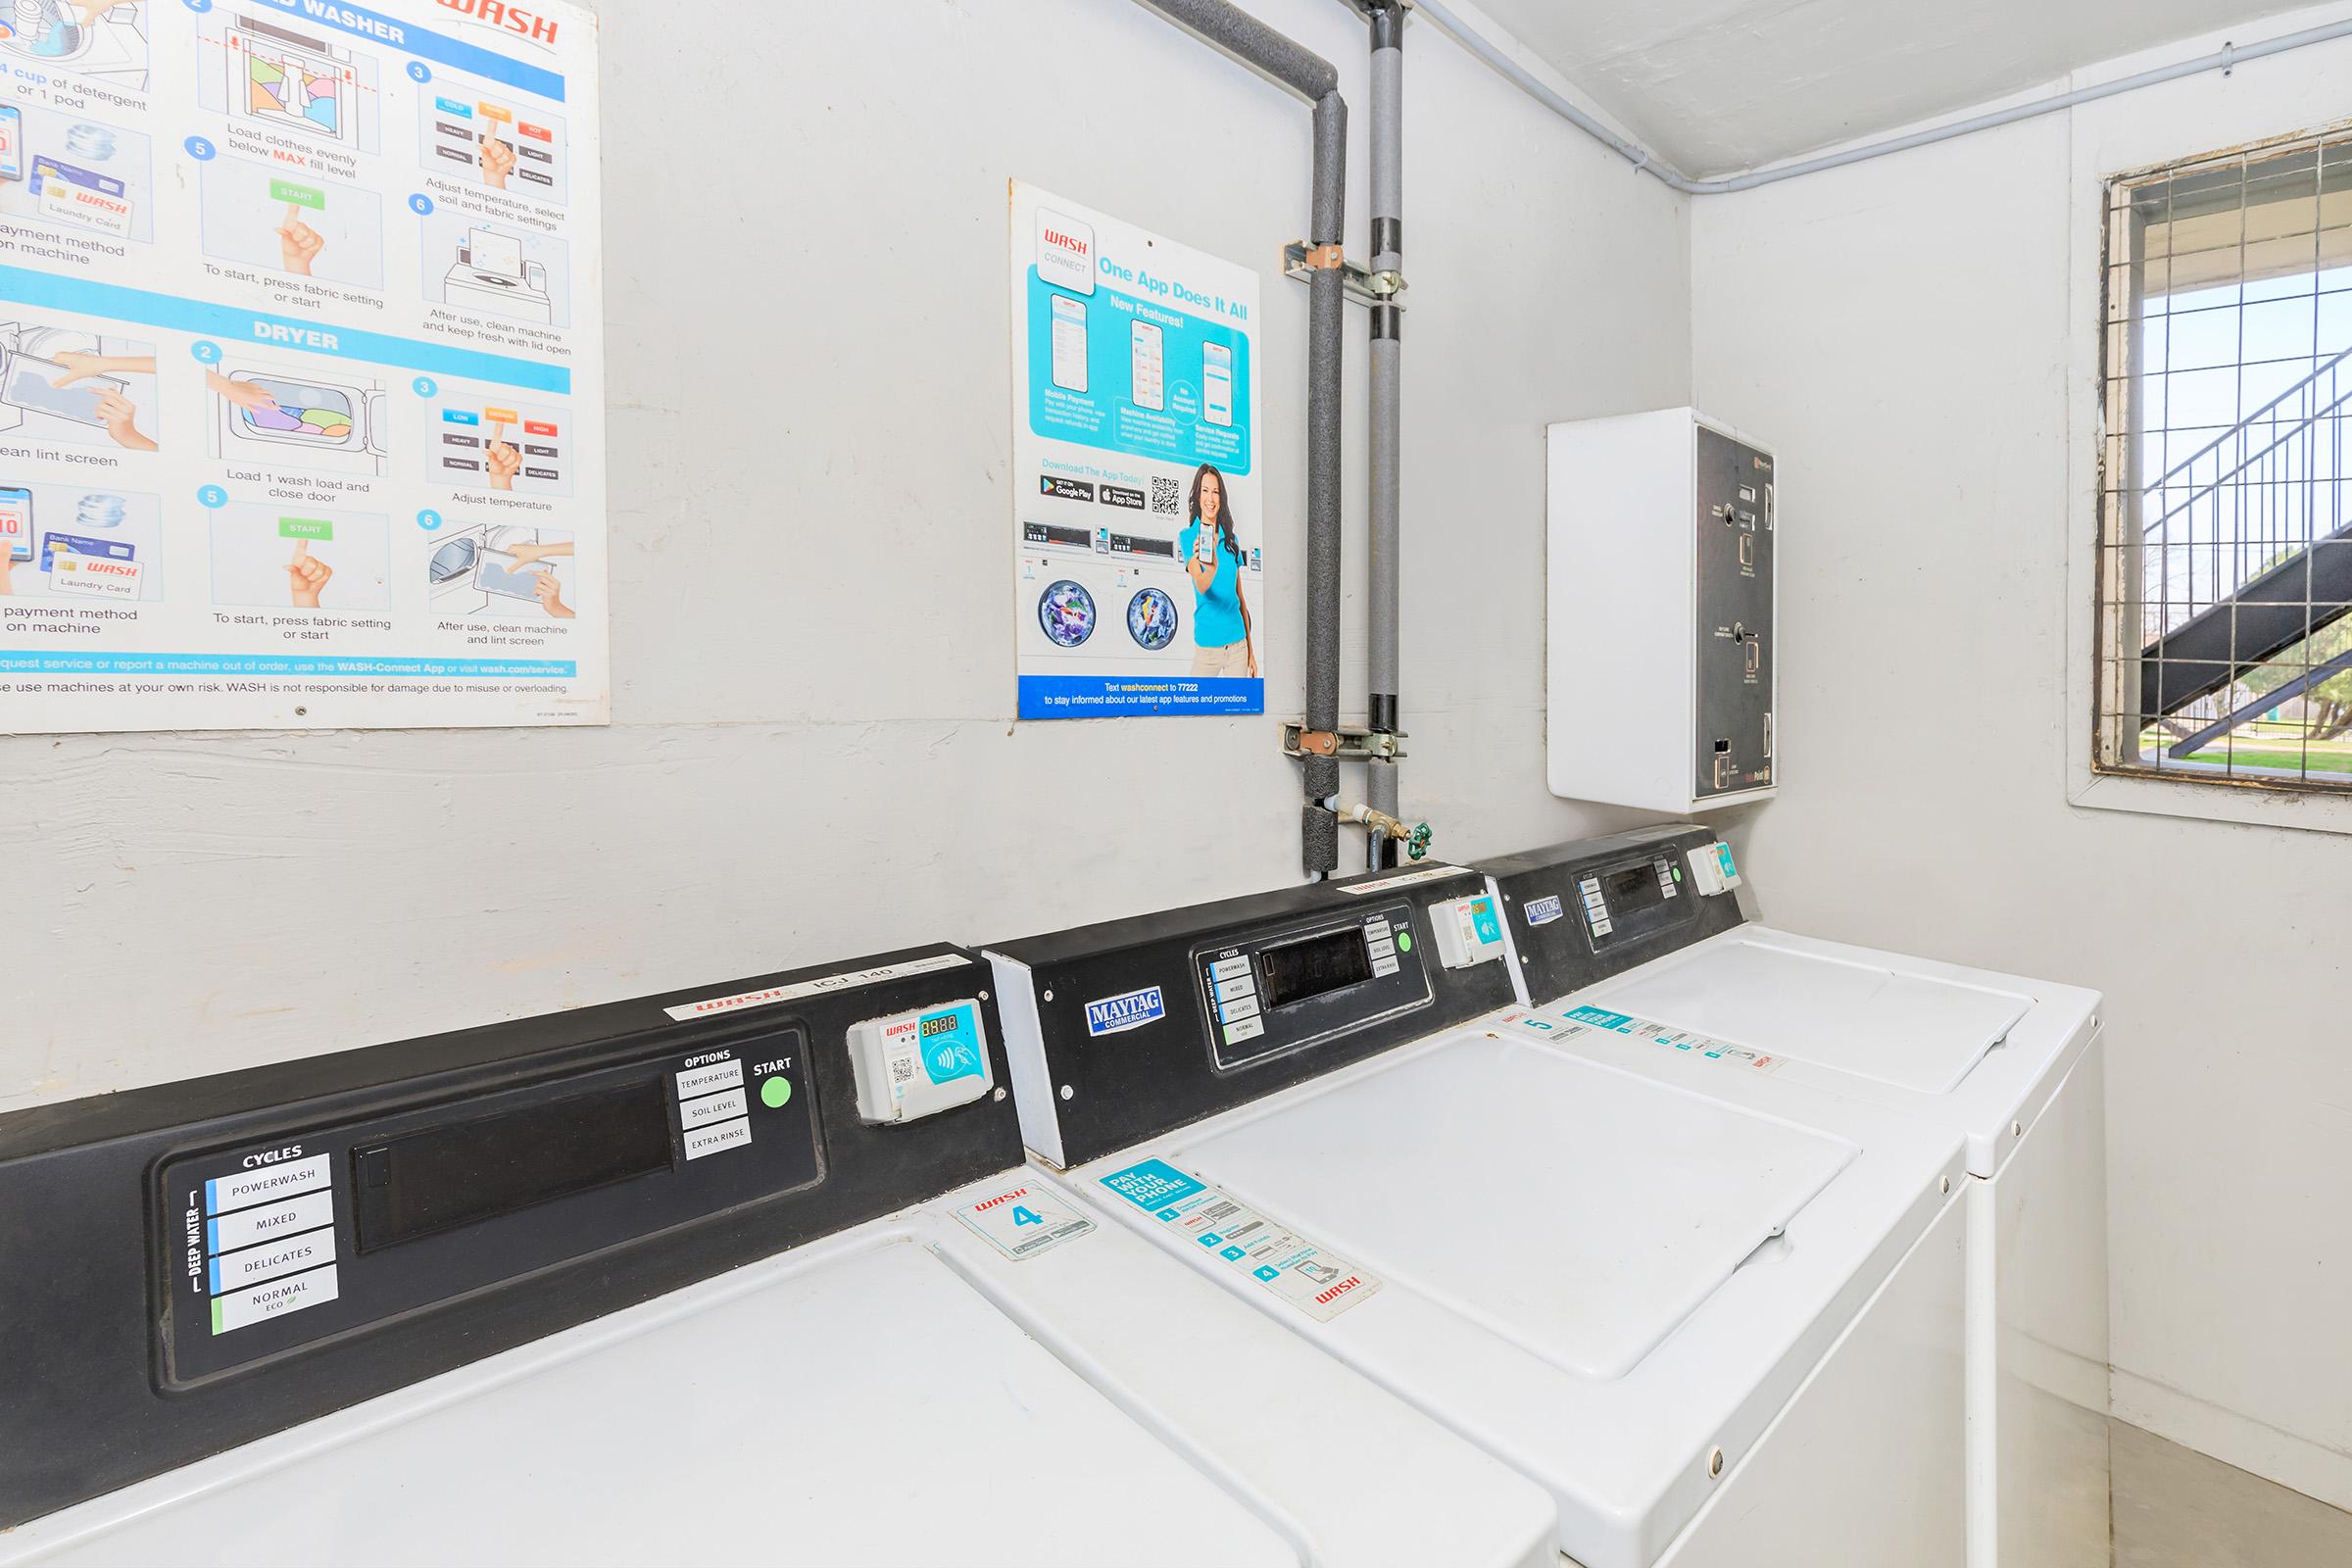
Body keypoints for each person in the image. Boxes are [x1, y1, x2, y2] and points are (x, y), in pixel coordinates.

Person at [1177, 463, 1256, 678]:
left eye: (1215, 492)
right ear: (1197, 495)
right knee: (1194, 708)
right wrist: (1212, 565)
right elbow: (1201, 585)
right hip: (1207, 646)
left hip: (1237, 645)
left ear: (1221, 498)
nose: (1210, 499)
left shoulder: (1231, 540)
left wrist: (1251, 652)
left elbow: (1240, 598)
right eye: (1205, 491)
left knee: (1237, 710)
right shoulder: (1188, 537)